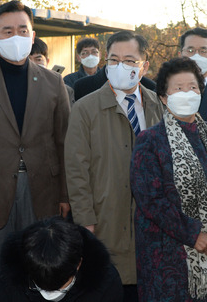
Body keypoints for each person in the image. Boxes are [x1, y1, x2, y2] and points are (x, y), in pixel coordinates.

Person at [0, 0, 71, 302]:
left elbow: (64, 142)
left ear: (32, 35)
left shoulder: (54, 82)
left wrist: (65, 195)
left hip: (43, 192)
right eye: (7, 31)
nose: (16, 36)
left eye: (23, 29)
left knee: (45, 275)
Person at [131, 57, 207, 302]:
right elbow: (151, 200)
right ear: (163, 96)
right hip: (168, 258)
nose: (187, 93)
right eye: (178, 88)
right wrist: (193, 234)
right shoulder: (149, 140)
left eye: (193, 87)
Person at [65, 31, 164, 302]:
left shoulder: (159, 106)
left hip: (153, 223)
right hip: (105, 220)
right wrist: (85, 219)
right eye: (114, 59)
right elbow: (76, 170)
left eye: (130, 60)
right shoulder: (85, 109)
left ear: (144, 66)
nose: (121, 67)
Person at [0, 216, 123, 302]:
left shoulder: (105, 282)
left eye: (61, 290)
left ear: (78, 264)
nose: (49, 295)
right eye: (38, 287)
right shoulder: (11, 278)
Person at [29, 37, 76, 106]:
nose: (33, 64)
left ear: (47, 61)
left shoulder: (64, 90)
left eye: (38, 60)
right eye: (28, 60)